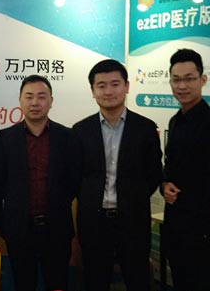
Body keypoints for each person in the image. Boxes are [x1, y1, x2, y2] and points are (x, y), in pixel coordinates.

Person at [73, 59, 162, 291]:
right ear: (93, 90)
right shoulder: (80, 130)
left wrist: (133, 197)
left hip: (133, 218)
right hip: (94, 221)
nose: (108, 91)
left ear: (127, 86)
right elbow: (74, 175)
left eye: (115, 84)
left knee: (137, 279)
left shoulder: (145, 128)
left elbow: (153, 173)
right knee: (95, 280)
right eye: (101, 85)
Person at [0, 75, 80, 291]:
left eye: (41, 97)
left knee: (58, 284)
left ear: (51, 101)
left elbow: (74, 180)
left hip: (57, 227)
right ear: (20, 100)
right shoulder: (5, 138)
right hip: (19, 229)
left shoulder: (68, 137)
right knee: (24, 284)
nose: (35, 102)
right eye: (29, 96)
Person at [161, 48, 210, 291]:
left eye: (189, 79)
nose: (182, 86)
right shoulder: (175, 121)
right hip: (175, 223)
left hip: (201, 230)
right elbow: (171, 167)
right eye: (176, 79)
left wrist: (202, 231)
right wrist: (164, 184)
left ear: (203, 79)